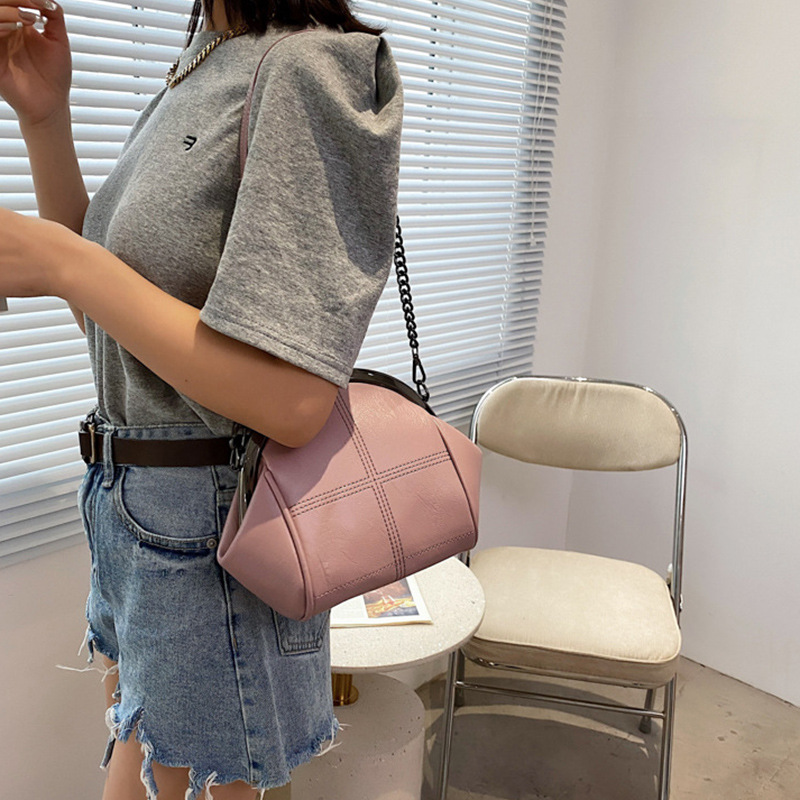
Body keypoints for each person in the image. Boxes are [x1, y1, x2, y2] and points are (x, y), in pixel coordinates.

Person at [0, 0, 403, 796]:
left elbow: (294, 399)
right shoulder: (205, 64)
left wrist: (61, 263)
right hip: (132, 507)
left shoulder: (306, 68)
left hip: (210, 524)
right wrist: (45, 119)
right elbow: (116, 328)